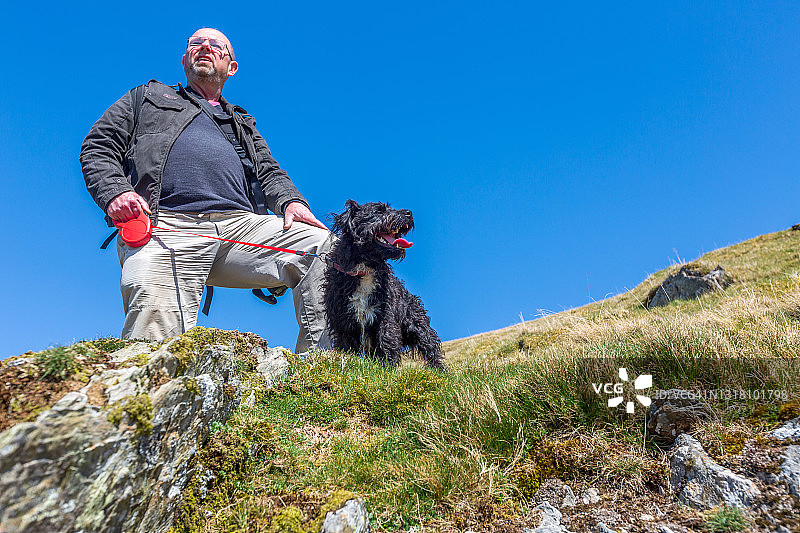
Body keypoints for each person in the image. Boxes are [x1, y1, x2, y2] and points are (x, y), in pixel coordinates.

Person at [80, 28, 332, 353]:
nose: (206, 47)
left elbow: (269, 170)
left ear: (231, 67)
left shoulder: (241, 122)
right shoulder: (146, 97)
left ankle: (321, 381)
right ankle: (150, 396)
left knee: (325, 248)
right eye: (196, 44)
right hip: (166, 227)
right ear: (185, 59)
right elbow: (98, 146)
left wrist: (291, 202)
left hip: (238, 228)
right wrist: (115, 192)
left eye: (216, 45)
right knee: (152, 319)